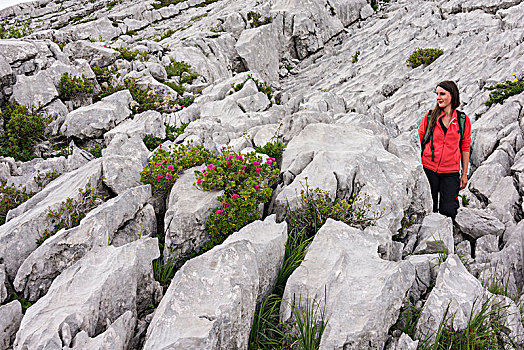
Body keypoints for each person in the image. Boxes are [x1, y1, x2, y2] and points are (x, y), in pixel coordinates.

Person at [418, 80, 471, 219]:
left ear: (452, 95)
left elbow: (465, 147)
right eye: (437, 94)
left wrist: (464, 173)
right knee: (429, 208)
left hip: (451, 172)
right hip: (428, 169)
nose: (438, 97)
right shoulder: (429, 117)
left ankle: (444, 238)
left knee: (449, 210)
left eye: (442, 94)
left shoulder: (462, 120)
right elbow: (419, 141)